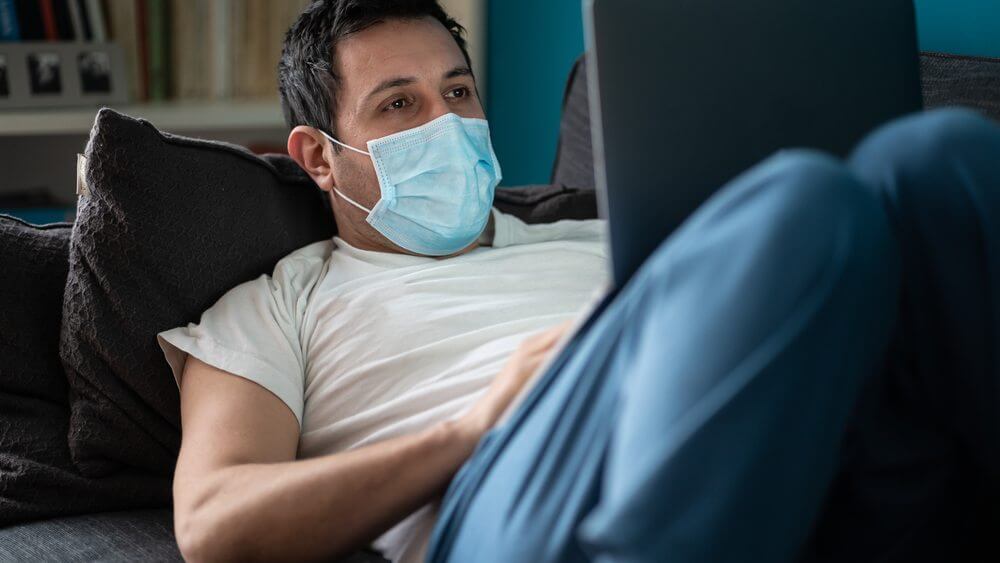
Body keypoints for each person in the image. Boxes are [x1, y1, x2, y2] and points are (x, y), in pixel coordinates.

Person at [158, 1, 1000, 562]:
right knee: (806, 196)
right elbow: (212, 521)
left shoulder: (605, 231)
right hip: (510, 491)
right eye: (399, 106)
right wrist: (474, 426)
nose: (447, 122)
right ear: (316, 155)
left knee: (940, 157)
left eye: (458, 90)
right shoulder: (280, 301)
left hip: (773, 438)